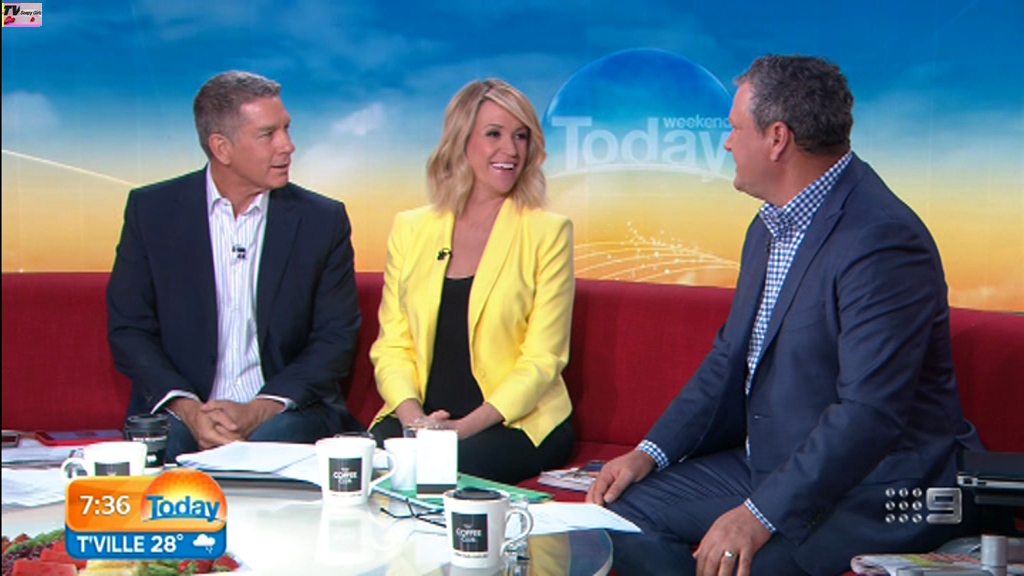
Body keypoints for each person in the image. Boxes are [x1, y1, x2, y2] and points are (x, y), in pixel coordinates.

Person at [586, 56, 982, 575]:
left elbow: (868, 413)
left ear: (777, 139)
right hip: (770, 464)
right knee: (613, 516)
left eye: (735, 129)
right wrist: (649, 453)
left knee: (744, 561)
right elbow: (729, 359)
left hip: (870, 488)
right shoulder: (768, 227)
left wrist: (758, 515)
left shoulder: (881, 239)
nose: (727, 144)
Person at [108, 71, 364, 461]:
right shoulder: (152, 213)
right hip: (182, 408)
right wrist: (189, 410)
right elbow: (130, 329)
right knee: (170, 448)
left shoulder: (321, 221)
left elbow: (335, 337)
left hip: (285, 410)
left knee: (270, 446)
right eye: (268, 134)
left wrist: (258, 410)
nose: (288, 146)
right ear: (222, 148)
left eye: (287, 129)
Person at [368, 79, 575, 485]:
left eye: (521, 136)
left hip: (512, 422)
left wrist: (460, 430)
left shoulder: (547, 233)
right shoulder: (411, 229)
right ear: (461, 141)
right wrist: (414, 421)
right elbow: (392, 346)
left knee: (439, 469)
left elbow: (542, 360)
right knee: (372, 464)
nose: (511, 150)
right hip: (423, 416)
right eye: (494, 134)